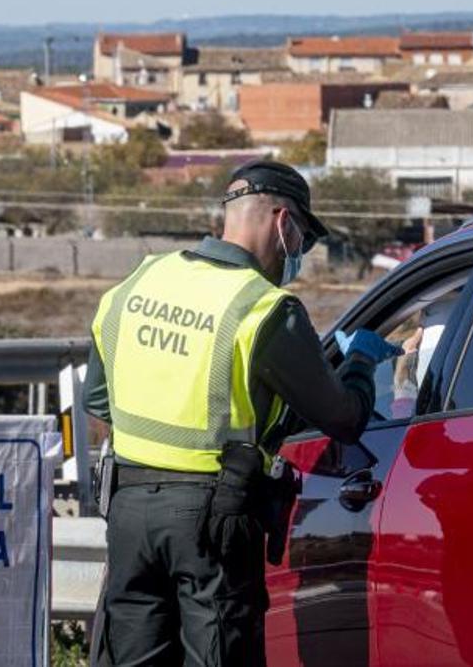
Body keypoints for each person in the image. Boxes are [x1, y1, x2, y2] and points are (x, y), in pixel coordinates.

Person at [84, 159, 399, 667]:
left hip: (128, 513)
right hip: (213, 521)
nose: (297, 254)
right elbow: (342, 418)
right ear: (283, 222)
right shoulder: (264, 308)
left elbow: (98, 402)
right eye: (302, 240)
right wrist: (361, 360)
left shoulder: (139, 282)